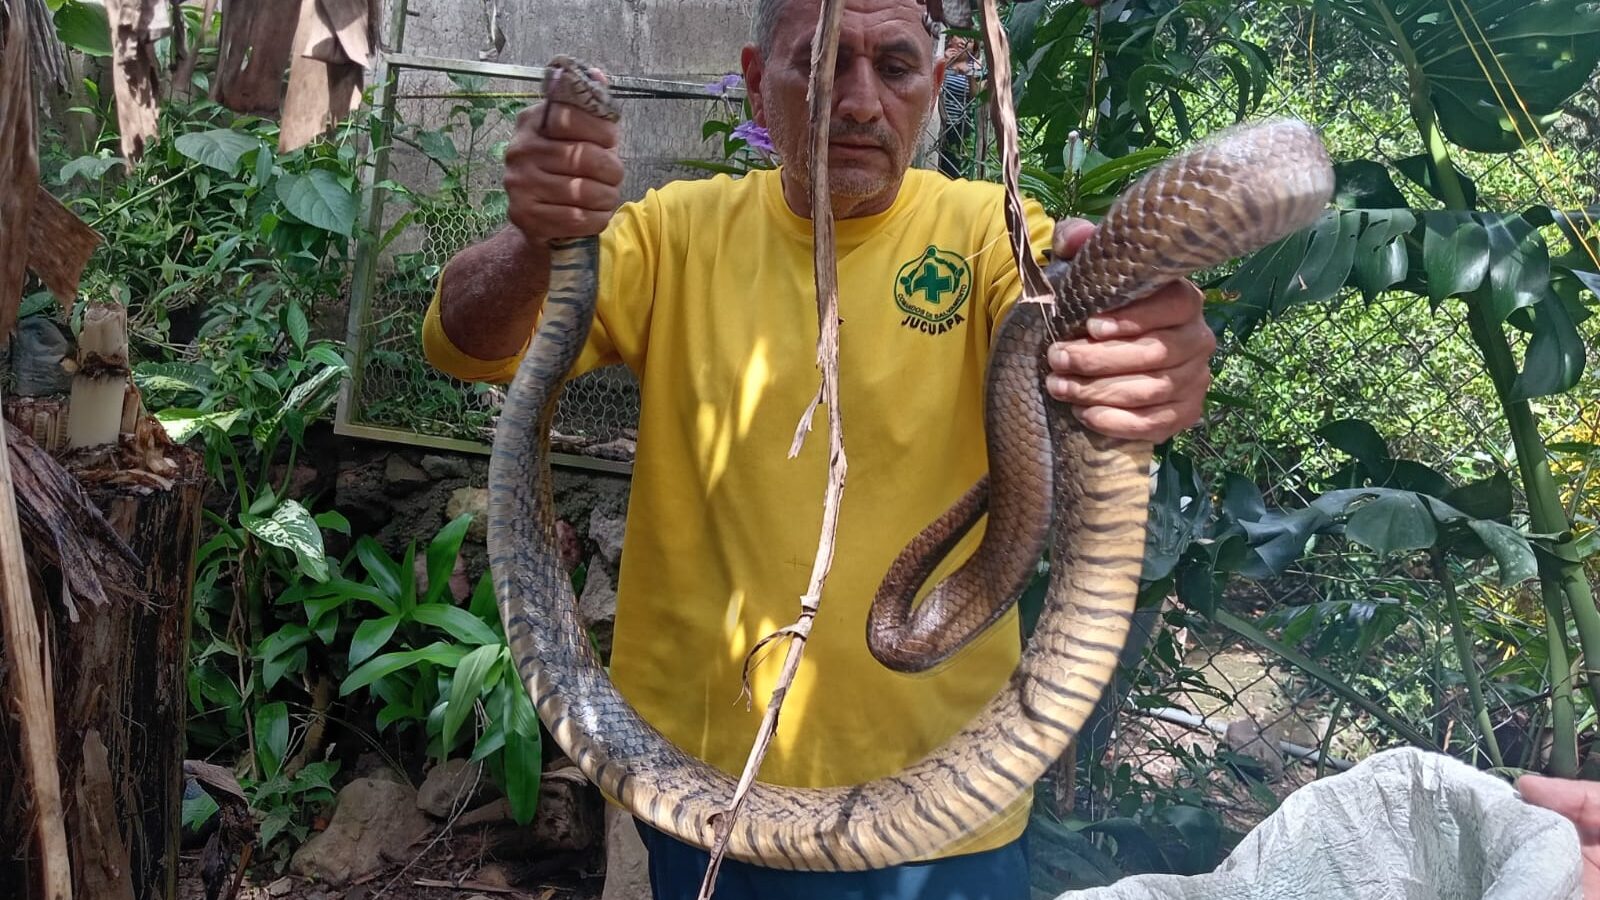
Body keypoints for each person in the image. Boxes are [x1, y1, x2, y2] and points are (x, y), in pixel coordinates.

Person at [422, 0, 1217, 896]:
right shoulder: (674, 232)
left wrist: (1141, 350)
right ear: (759, 84)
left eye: (895, 67)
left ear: (942, 84)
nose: (859, 102)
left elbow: (1070, 324)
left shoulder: (990, 233)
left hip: (947, 816)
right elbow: (465, 342)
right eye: (823, 63)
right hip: (705, 797)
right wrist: (537, 237)